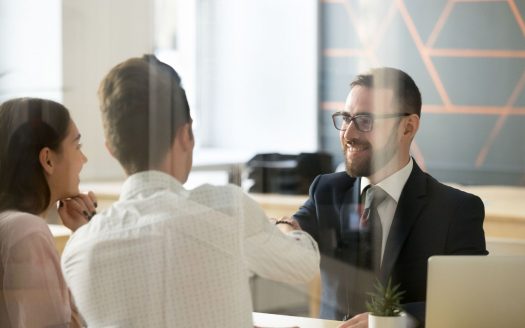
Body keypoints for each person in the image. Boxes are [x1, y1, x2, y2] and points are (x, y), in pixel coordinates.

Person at [61, 55, 320, 327]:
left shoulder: (78, 250)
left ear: (111, 149)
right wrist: (286, 227)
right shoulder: (227, 208)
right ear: (186, 134)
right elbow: (303, 266)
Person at [286, 67, 487, 327]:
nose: (348, 134)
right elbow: (295, 229)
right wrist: (283, 229)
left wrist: (392, 320)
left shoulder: (456, 210)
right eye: (346, 118)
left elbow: (470, 300)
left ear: (408, 127)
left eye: (365, 120)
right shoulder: (327, 190)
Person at [0, 98, 97, 327]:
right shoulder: (27, 231)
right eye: (77, 146)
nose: (84, 159)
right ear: (48, 159)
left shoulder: (12, 225)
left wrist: (81, 233)